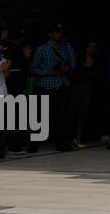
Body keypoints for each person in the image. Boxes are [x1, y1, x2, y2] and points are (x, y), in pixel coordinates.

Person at [29, 23, 75, 152]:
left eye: (60, 32)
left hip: (61, 84)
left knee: (61, 116)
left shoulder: (67, 48)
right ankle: (34, 144)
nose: (59, 34)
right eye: (57, 32)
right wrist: (46, 72)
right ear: (50, 34)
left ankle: (62, 143)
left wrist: (67, 68)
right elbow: (32, 68)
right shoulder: (41, 49)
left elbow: (73, 64)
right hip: (44, 85)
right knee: (39, 116)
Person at [66, 39, 98, 149]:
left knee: (83, 113)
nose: (93, 49)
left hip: (88, 88)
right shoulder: (78, 58)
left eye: (94, 47)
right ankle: (68, 137)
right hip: (76, 88)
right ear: (86, 48)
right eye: (91, 46)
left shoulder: (96, 60)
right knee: (72, 113)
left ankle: (78, 137)